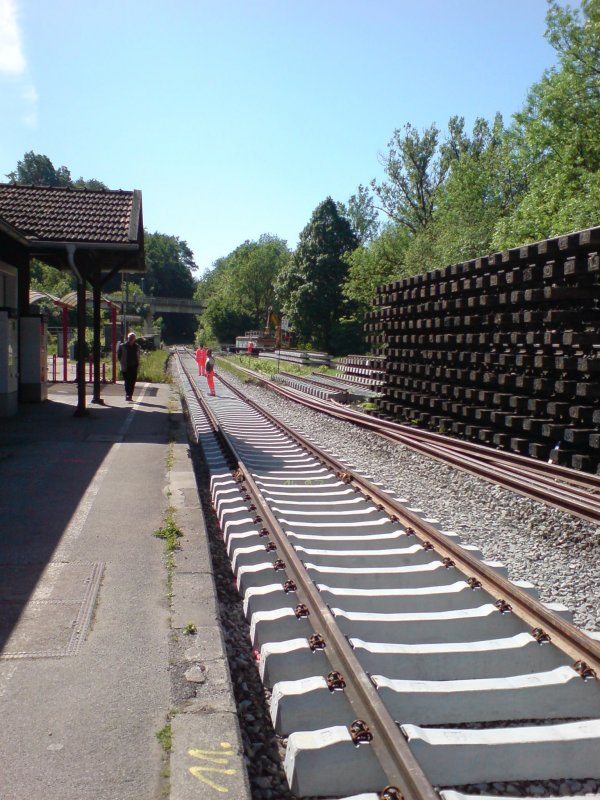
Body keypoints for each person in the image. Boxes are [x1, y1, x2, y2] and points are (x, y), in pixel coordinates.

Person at [117, 332, 141, 401]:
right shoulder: (122, 346)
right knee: (127, 381)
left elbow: (139, 356)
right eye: (130, 338)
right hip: (126, 366)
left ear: (134, 339)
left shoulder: (137, 347)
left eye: (132, 338)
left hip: (134, 366)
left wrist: (138, 364)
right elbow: (119, 356)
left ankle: (130, 395)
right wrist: (122, 362)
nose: (131, 339)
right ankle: (128, 394)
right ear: (128, 338)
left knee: (133, 382)